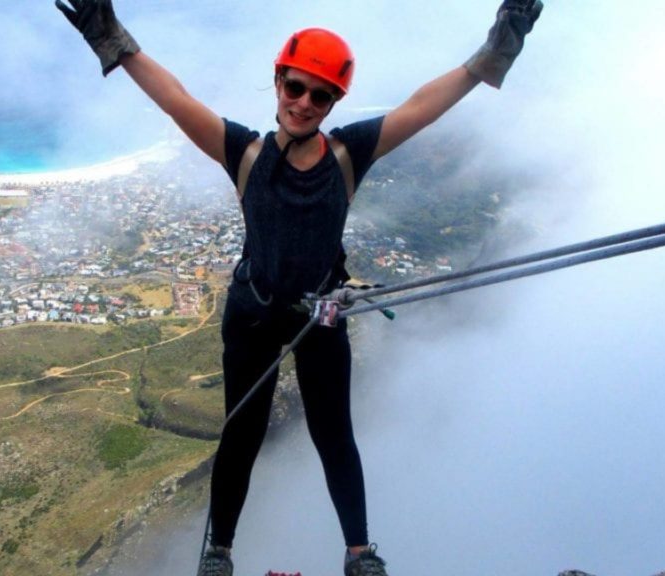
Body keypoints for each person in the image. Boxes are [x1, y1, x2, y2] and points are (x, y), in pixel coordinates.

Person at [54, 1, 543, 575]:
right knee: (242, 432)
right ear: (278, 82)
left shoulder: (347, 155)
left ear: (334, 102)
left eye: (321, 95)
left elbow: (421, 107)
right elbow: (177, 100)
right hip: (255, 313)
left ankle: (360, 553)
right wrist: (117, 43)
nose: (304, 103)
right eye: (295, 87)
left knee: (334, 433)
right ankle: (219, 552)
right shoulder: (247, 154)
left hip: (320, 313)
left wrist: (492, 55)